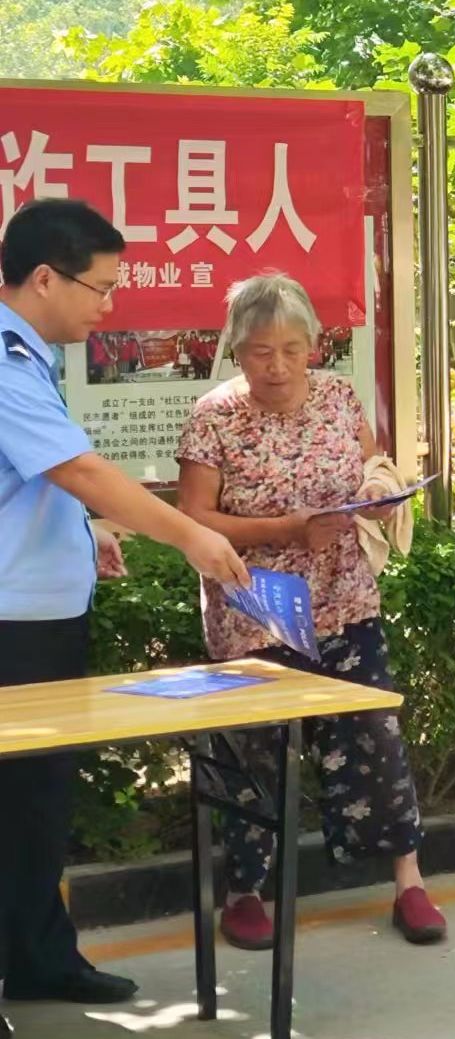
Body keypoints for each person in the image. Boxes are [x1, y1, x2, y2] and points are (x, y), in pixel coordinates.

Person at [0, 199, 249, 1031]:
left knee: (34, 804)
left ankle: (37, 960)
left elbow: (36, 482)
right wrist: (192, 535)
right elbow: (79, 469)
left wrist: (87, 528)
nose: (109, 306)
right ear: (44, 278)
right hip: (9, 626)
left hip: (39, 619)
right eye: (100, 287)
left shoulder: (28, 355)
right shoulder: (3, 358)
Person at [174, 273, 447, 951]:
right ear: (237, 350)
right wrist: (287, 528)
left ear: (314, 346)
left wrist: (378, 495)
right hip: (254, 611)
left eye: (292, 350)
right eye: (261, 352)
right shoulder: (213, 416)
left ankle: (408, 881)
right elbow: (194, 518)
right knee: (253, 755)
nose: (278, 366)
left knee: (374, 737)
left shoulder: (338, 396)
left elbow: (370, 464)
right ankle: (244, 893)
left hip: (344, 600)